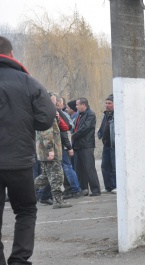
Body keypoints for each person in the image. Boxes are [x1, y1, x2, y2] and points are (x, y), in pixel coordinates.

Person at [0, 35, 55, 264]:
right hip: (19, 161)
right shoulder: (27, 81)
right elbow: (46, 118)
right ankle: (19, 260)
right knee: (25, 210)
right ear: (11, 54)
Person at [35, 116, 73, 209]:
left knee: (46, 176)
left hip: (44, 153)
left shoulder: (44, 116)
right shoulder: (48, 117)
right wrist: (50, 149)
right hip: (51, 153)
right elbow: (47, 134)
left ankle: (24, 191)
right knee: (57, 176)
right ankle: (58, 200)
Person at [72, 98, 101, 196]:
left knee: (89, 168)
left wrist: (73, 135)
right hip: (78, 145)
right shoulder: (79, 115)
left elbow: (85, 128)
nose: (76, 107)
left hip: (86, 145)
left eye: (77, 104)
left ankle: (95, 190)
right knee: (79, 169)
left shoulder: (90, 114)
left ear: (83, 105)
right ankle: (83, 189)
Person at [98, 94, 116, 194]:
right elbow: (103, 126)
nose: (107, 105)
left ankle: (116, 186)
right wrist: (100, 134)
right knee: (105, 166)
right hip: (106, 144)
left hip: (114, 145)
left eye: (109, 103)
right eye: (106, 103)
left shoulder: (117, 115)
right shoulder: (105, 115)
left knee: (115, 167)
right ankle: (108, 186)